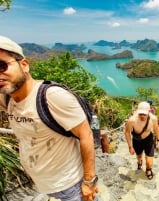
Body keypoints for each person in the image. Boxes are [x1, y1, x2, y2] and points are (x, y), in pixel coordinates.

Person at [0, 36, 99, 201]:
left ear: (24, 65)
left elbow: (86, 134)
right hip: (43, 183)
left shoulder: (52, 97)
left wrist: (89, 182)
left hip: (71, 185)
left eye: (2, 66)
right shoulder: (6, 98)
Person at [124, 101, 159, 180]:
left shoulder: (153, 119)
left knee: (149, 161)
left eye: (144, 114)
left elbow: (156, 129)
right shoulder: (132, 120)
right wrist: (130, 147)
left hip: (148, 139)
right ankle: (139, 162)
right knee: (139, 156)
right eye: (140, 113)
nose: (142, 116)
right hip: (137, 140)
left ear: (148, 112)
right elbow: (127, 132)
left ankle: (148, 169)